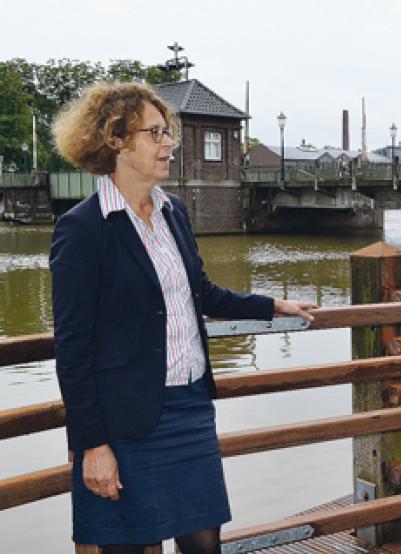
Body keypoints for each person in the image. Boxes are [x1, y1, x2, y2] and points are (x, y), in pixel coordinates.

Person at [49, 81, 318, 554]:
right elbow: (73, 350)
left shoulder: (173, 212)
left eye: (167, 131)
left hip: (190, 409)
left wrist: (272, 305)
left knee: (203, 545)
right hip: (126, 422)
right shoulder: (81, 230)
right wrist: (92, 446)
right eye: (155, 133)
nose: (168, 143)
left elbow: (201, 292)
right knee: (128, 547)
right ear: (116, 140)